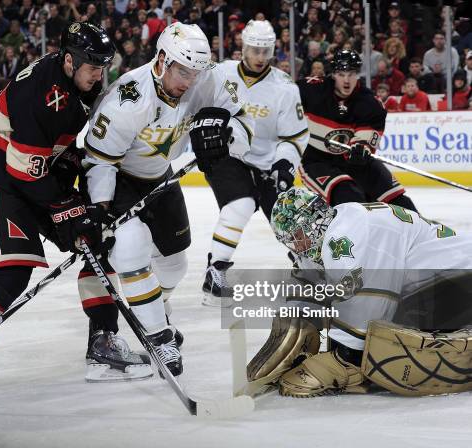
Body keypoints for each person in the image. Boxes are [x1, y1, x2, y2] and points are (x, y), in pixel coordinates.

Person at [0, 23, 149, 403]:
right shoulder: (41, 89)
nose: (99, 74)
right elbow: (23, 169)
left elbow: (59, 150)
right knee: (12, 273)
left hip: (38, 173)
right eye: (93, 66)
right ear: (70, 60)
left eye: (103, 67)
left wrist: (78, 207)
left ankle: (103, 343)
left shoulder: (79, 84)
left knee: (96, 240)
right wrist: (66, 206)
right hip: (0, 178)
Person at [81, 22, 252, 376]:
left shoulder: (208, 78)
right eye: (182, 72)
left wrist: (225, 135)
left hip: (159, 175)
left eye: (195, 73)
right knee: (130, 248)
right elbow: (98, 161)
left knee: (175, 264)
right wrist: (100, 210)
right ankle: (158, 336)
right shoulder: (127, 97)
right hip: (118, 178)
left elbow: (246, 124)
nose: (188, 82)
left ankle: (155, 310)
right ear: (162, 60)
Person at [249, 188, 472, 397]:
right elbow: (307, 288)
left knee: (387, 330)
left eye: (297, 236)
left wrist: (345, 357)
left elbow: (367, 298)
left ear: (312, 221)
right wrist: (291, 332)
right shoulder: (333, 228)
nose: (295, 246)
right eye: (289, 240)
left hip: (460, 277)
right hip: (447, 280)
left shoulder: (346, 236)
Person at [201, 20, 309, 306]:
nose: (260, 57)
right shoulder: (220, 73)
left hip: (268, 162)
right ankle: (216, 272)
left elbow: (295, 135)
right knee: (241, 205)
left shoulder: (285, 87)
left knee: (286, 214)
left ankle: (308, 268)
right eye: (255, 50)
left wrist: (285, 164)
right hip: (228, 155)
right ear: (243, 47)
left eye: (266, 51)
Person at [297, 49, 416, 211]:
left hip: (354, 161)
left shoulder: (370, 103)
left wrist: (361, 148)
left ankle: (423, 234)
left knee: (399, 203)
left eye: (351, 74)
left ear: (358, 74)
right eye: (341, 74)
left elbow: (365, 139)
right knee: (350, 198)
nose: (346, 80)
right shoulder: (311, 90)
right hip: (317, 161)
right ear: (333, 74)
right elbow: (282, 98)